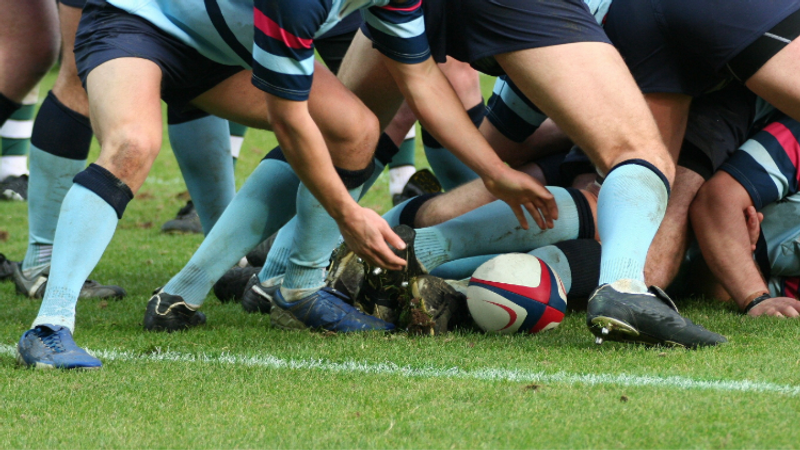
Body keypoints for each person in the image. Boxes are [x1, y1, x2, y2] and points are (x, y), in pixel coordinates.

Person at [17, 0, 549, 369]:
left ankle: (296, 285)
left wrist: (496, 173)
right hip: (134, 22)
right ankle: (50, 325)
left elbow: (422, 80)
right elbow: (290, 121)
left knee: (357, 129)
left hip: (220, 53)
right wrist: (346, 212)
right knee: (132, 145)